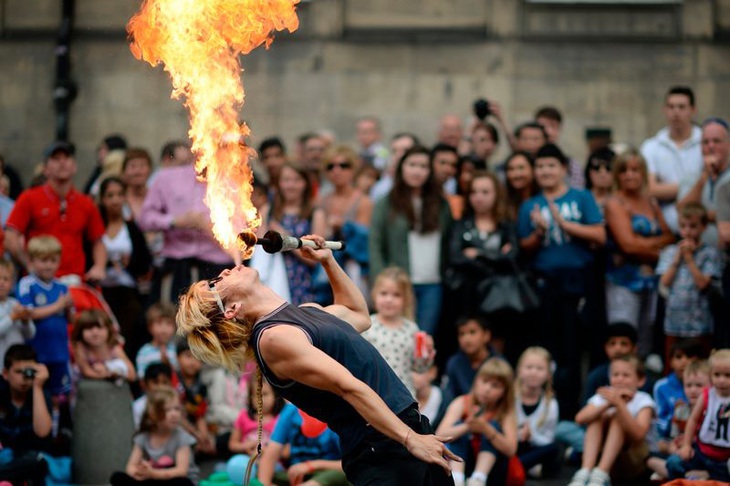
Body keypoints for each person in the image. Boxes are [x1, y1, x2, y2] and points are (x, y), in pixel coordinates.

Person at [176, 234, 460, 485]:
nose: (224, 271)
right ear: (231, 310)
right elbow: (349, 386)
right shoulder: (273, 338)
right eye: (215, 283)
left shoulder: (304, 311)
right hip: (382, 446)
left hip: (403, 429)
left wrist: (327, 262)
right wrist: (410, 439)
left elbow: (359, 316)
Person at [517, 143, 605, 419]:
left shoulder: (581, 197)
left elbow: (600, 236)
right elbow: (524, 247)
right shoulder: (530, 204)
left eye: (551, 166)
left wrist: (565, 225)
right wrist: (540, 232)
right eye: (540, 166)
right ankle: (548, 412)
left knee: (576, 350)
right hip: (544, 285)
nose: (545, 171)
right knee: (548, 350)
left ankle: (572, 413)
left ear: (563, 169)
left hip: (578, 283)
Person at [138, 140, 235, 303]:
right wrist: (174, 221)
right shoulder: (167, 178)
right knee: (172, 322)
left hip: (216, 268)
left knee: (216, 323)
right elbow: (145, 218)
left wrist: (211, 227)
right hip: (177, 266)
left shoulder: (234, 182)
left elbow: (244, 229)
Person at [369, 146, 453, 334]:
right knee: (397, 336)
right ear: (402, 168)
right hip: (398, 283)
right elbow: (375, 244)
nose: (417, 171)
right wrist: (380, 282)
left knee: (423, 338)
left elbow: (448, 241)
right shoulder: (386, 203)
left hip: (433, 282)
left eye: (423, 166)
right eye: (412, 165)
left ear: (430, 171)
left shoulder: (441, 204)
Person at [604, 149, 675, 357]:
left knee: (646, 339)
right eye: (624, 170)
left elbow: (670, 236)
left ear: (643, 173)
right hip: (623, 281)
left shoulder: (650, 201)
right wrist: (657, 249)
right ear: (617, 175)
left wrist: (644, 243)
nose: (630, 175)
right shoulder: (614, 202)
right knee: (623, 336)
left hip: (650, 281)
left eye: (635, 170)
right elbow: (628, 245)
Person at [5, 141, 107, 281]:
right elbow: (10, 236)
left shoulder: (86, 203)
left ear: (74, 166)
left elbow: (98, 241)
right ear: (45, 169)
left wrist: (99, 267)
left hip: (74, 280)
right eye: (56, 159)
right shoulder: (29, 197)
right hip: (39, 282)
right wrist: (28, 265)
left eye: (67, 158)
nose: (62, 163)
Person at [445, 171, 520, 358]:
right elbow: (455, 257)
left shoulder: (506, 225)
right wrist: (495, 257)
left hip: (499, 298)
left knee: (498, 342)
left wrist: (477, 254)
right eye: (474, 192)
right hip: (467, 296)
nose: (479, 198)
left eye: (485, 192)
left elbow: (512, 257)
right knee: (467, 341)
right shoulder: (461, 225)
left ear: (497, 195)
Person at [567, 355, 655, 486]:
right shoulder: (605, 396)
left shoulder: (643, 399)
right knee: (596, 417)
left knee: (618, 418)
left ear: (640, 380)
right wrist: (608, 404)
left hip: (632, 460)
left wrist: (620, 405)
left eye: (626, 375)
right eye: (616, 374)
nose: (620, 379)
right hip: (603, 456)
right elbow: (579, 419)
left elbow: (639, 434)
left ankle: (601, 473)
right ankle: (585, 471)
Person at [436, 358, 518, 486]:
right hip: (464, 462)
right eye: (484, 382)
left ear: (504, 392)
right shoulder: (461, 402)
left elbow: (511, 449)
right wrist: (468, 426)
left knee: (493, 426)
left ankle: (479, 478)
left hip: (493, 471)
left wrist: (486, 429)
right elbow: (440, 434)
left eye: (495, 386)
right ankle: (457, 478)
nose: (487, 389)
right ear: (476, 381)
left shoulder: (505, 412)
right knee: (458, 427)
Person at [657, 202, 722, 356]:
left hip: (700, 324)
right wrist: (678, 259)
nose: (687, 231)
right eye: (683, 226)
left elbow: (702, 283)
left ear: (704, 227)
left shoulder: (710, 254)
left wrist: (689, 259)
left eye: (693, 226)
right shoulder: (670, 252)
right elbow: (664, 283)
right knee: (674, 362)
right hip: (673, 323)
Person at [97, 176, 152, 355]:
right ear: (102, 199)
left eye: (120, 195)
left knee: (130, 329)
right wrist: (105, 263)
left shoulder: (131, 228)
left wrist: (130, 263)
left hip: (126, 290)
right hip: (101, 291)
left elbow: (145, 262)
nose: (115, 200)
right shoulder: (96, 226)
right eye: (110, 195)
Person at [363, 267, 435, 397]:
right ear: (374, 295)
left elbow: (418, 368)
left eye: (396, 295)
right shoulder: (367, 325)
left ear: (406, 299)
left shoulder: (411, 329)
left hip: (404, 397)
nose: (389, 300)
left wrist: (426, 353)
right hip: (374, 395)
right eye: (383, 293)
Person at [17, 236, 74, 398]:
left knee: (59, 396)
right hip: (35, 352)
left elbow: (71, 320)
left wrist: (69, 309)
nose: (49, 265)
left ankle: (55, 423)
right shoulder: (27, 284)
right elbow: (27, 313)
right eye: (43, 260)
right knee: (33, 392)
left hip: (59, 351)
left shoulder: (62, 287)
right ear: (32, 260)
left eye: (53, 260)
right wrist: (58, 306)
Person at [641, 86, 703, 234]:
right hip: (665, 228)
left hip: (701, 227)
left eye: (681, 107)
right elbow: (649, 189)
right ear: (664, 110)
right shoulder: (651, 146)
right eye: (671, 107)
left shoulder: (706, 142)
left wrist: (666, 190)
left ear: (693, 110)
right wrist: (696, 186)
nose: (676, 112)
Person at [110, 386, 199, 486]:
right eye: (168, 410)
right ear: (153, 414)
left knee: (182, 483)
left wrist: (153, 473)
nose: (174, 414)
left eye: (177, 409)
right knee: (117, 477)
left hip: (173, 479)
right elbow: (130, 467)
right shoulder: (143, 437)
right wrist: (141, 471)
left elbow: (181, 471)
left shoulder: (182, 437)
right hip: (152, 478)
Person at [665, 349, 730, 482]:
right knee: (673, 462)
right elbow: (693, 419)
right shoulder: (707, 395)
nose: (722, 380)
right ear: (710, 375)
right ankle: (693, 478)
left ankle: (702, 477)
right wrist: (687, 445)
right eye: (717, 375)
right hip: (702, 453)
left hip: (726, 458)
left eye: (728, 375)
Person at [267, 163, 327, 305]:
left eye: (297, 180)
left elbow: (315, 259)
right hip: (273, 282)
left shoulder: (315, 214)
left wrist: (285, 239)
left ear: (306, 183)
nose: (291, 185)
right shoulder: (268, 211)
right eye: (286, 180)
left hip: (304, 285)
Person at [255, 402, 348, 486]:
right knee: (257, 472)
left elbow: (350, 464)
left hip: (327, 475)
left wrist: (311, 466)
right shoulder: (291, 410)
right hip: (295, 475)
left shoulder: (338, 413)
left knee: (338, 475)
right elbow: (271, 454)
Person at [647, 358, 711, 481]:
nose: (693, 390)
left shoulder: (712, 410)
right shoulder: (681, 409)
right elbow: (673, 437)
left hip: (705, 455)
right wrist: (674, 447)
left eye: (699, 385)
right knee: (652, 460)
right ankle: (692, 476)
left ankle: (682, 475)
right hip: (686, 454)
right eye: (688, 385)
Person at [0, 345, 52, 484]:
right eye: (18, 372)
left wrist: (37, 387)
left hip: (30, 459)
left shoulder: (41, 393)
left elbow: (42, 432)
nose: (24, 377)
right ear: (5, 373)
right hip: (5, 457)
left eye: (29, 372)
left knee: (37, 462)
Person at [678, 117, 730, 248]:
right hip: (696, 256)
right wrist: (704, 177)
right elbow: (683, 211)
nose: (711, 146)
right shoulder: (691, 177)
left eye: (717, 141)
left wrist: (702, 215)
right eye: (705, 142)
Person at [440, 316, 499, 420]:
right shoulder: (454, 363)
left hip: (494, 418)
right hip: (461, 417)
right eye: (462, 334)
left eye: (472, 332)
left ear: (486, 335)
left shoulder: (499, 364)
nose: (466, 339)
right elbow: (448, 397)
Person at [514, 347, 560, 479]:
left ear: (548, 374)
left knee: (554, 449)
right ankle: (526, 467)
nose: (533, 372)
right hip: (513, 446)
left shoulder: (550, 404)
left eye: (539, 369)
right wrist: (519, 435)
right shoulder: (510, 398)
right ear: (519, 370)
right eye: (529, 367)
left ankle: (516, 467)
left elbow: (548, 440)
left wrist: (531, 436)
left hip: (535, 448)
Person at [227, 379, 284, 476]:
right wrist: (245, 446)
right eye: (257, 395)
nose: (261, 399)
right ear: (250, 398)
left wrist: (267, 451)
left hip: (272, 464)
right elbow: (232, 444)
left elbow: (287, 451)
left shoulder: (281, 418)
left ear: (275, 396)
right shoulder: (243, 416)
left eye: (265, 394)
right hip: (246, 462)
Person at [71, 309, 136, 384]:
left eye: (100, 327)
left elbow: (132, 375)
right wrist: (106, 374)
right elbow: (87, 371)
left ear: (109, 329)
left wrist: (110, 371)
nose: (95, 333)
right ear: (80, 331)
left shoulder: (114, 348)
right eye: (89, 328)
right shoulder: (81, 348)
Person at [175, 341, 215, 456]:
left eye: (197, 358)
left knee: (209, 443)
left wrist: (204, 437)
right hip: (177, 424)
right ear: (178, 358)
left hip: (193, 427)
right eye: (188, 356)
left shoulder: (201, 386)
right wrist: (196, 434)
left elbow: (200, 415)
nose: (193, 362)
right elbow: (177, 416)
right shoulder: (174, 381)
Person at [534, 106, 585, 189]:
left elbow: (577, 192)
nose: (548, 132)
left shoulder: (571, 164)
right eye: (542, 127)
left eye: (552, 126)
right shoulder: (526, 161)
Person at [0, 259, 34, 366]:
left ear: (12, 283)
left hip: (16, 366)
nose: (1, 282)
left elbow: (30, 334)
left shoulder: (16, 304)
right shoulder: (15, 311)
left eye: (6, 279)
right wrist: (13, 317)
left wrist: (26, 322)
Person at [136, 302, 178, 379]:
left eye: (169, 324)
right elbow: (141, 379)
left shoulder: (176, 350)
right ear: (150, 327)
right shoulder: (144, 352)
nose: (164, 329)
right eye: (159, 323)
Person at [133, 362, 173, 429]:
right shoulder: (138, 406)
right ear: (145, 384)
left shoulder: (173, 403)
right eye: (155, 382)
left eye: (165, 382)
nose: (160, 387)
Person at [121, 148, 154, 221]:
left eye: (142, 166)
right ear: (124, 171)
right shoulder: (119, 198)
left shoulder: (157, 197)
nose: (137, 171)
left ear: (150, 169)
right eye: (133, 166)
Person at [503, 152, 537, 222]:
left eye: (521, 168)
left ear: (533, 170)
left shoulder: (544, 199)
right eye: (511, 169)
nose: (516, 174)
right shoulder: (502, 202)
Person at [584, 147, 615, 213]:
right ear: (589, 171)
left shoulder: (621, 201)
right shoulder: (579, 199)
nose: (603, 174)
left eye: (608, 168)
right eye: (596, 168)